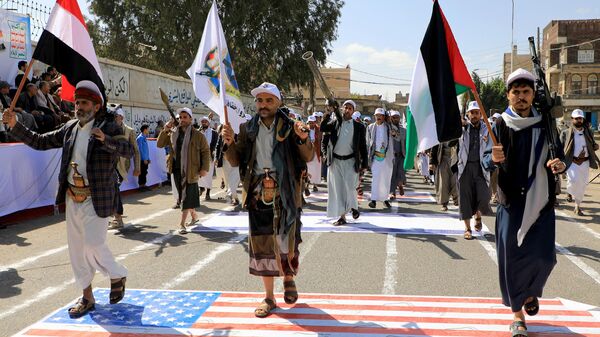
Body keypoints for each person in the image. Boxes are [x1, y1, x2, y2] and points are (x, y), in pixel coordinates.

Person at [3, 80, 132, 318]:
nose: (79, 107)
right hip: (73, 196)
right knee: (76, 251)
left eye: (84, 103)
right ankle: (87, 297)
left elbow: (127, 151)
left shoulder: (109, 126)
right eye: (77, 103)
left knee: (93, 243)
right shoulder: (70, 128)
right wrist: (15, 125)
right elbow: (41, 141)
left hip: (98, 197)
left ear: (96, 106)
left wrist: (106, 140)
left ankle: (117, 273)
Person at [483, 68, 566, 337]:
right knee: (511, 259)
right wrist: (492, 158)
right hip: (511, 202)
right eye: (516, 92)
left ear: (533, 95)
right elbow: (487, 158)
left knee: (544, 258)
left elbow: (559, 156)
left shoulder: (545, 123)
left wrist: (559, 164)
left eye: (526, 92)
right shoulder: (499, 124)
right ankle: (517, 313)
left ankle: (531, 292)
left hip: (541, 200)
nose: (521, 96)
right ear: (508, 96)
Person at [222, 82, 313, 318]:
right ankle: (269, 297)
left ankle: (289, 277)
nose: (263, 105)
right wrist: (230, 143)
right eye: (260, 101)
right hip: (257, 192)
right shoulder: (247, 128)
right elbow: (234, 160)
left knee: (286, 239)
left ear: (278, 102)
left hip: (286, 192)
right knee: (262, 246)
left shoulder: (293, 127)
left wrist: (303, 138)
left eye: (268, 100)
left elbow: (309, 155)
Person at [157, 107, 210, 234]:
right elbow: (159, 144)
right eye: (180, 117)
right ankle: (194, 216)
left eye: (185, 117)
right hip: (176, 169)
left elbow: (205, 151)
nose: (182, 120)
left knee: (186, 196)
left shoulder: (198, 135)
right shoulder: (173, 132)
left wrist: (204, 168)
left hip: (191, 170)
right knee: (183, 195)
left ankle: (182, 224)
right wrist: (165, 130)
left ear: (191, 119)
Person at [321, 99, 368, 226]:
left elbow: (363, 146)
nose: (347, 110)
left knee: (350, 187)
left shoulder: (359, 127)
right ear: (342, 109)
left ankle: (353, 207)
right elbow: (322, 127)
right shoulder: (335, 123)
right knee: (338, 189)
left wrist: (364, 164)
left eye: (350, 108)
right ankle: (342, 216)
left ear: (353, 111)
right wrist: (328, 112)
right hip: (335, 161)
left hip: (351, 161)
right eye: (345, 108)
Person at [457, 101, 493, 240]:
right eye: (472, 113)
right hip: (465, 167)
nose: (474, 115)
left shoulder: (488, 129)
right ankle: (467, 228)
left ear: (481, 115)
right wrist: (458, 126)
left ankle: (478, 215)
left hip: (481, 168)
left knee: (484, 197)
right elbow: (451, 139)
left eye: (477, 113)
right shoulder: (462, 129)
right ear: (468, 114)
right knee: (465, 198)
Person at [560, 108, 599, 215]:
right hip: (572, 161)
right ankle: (569, 192)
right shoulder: (565, 133)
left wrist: (595, 146)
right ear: (572, 119)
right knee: (573, 180)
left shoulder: (589, 132)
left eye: (580, 118)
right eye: (576, 119)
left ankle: (577, 206)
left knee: (582, 184)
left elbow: (592, 144)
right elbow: (560, 147)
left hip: (585, 162)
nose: (579, 120)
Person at [109, 105, 141, 230]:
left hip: (122, 166)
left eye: (116, 117)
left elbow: (136, 151)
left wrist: (137, 167)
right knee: (112, 190)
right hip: (109, 164)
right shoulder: (108, 129)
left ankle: (118, 219)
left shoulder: (129, 131)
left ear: (121, 117)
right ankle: (115, 218)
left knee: (114, 189)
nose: (114, 119)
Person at [367, 108, 394, 208]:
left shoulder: (389, 128)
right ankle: (373, 199)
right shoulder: (370, 127)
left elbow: (396, 136)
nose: (378, 117)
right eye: (377, 115)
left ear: (383, 117)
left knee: (386, 178)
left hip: (387, 157)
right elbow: (367, 142)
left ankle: (385, 199)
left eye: (380, 115)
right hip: (375, 157)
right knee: (376, 178)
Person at [430, 140, 459, 211]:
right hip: (443, 159)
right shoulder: (441, 131)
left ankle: (457, 200)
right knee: (443, 183)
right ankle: (444, 203)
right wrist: (432, 161)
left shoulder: (460, 130)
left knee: (456, 181)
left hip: (457, 160)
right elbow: (434, 146)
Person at [198, 116, 218, 200]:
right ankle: (201, 188)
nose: (204, 123)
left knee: (209, 175)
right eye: (202, 121)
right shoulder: (198, 132)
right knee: (200, 174)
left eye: (205, 121)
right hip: (200, 156)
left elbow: (215, 145)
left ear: (208, 123)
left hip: (210, 156)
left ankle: (208, 193)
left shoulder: (214, 133)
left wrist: (213, 155)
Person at [389, 110, 407, 199]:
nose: (395, 119)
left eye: (397, 117)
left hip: (402, 156)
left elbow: (407, 143)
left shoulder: (404, 131)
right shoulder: (388, 129)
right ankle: (392, 192)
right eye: (393, 117)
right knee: (392, 175)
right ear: (391, 118)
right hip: (392, 156)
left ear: (399, 118)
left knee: (401, 173)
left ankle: (400, 185)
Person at [305, 115, 322, 193]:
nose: (311, 124)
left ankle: (315, 185)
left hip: (316, 152)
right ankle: (307, 185)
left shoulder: (318, 129)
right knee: (308, 169)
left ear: (315, 122)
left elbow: (321, 141)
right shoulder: (304, 129)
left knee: (316, 169)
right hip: (307, 152)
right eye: (310, 122)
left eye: (312, 122)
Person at [137, 124, 151, 190]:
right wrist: (144, 159)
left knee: (145, 172)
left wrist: (148, 158)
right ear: (145, 129)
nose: (148, 130)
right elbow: (140, 150)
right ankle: (140, 186)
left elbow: (146, 149)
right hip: (142, 159)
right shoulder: (140, 138)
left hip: (146, 158)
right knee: (142, 172)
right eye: (148, 129)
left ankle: (144, 185)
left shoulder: (144, 137)